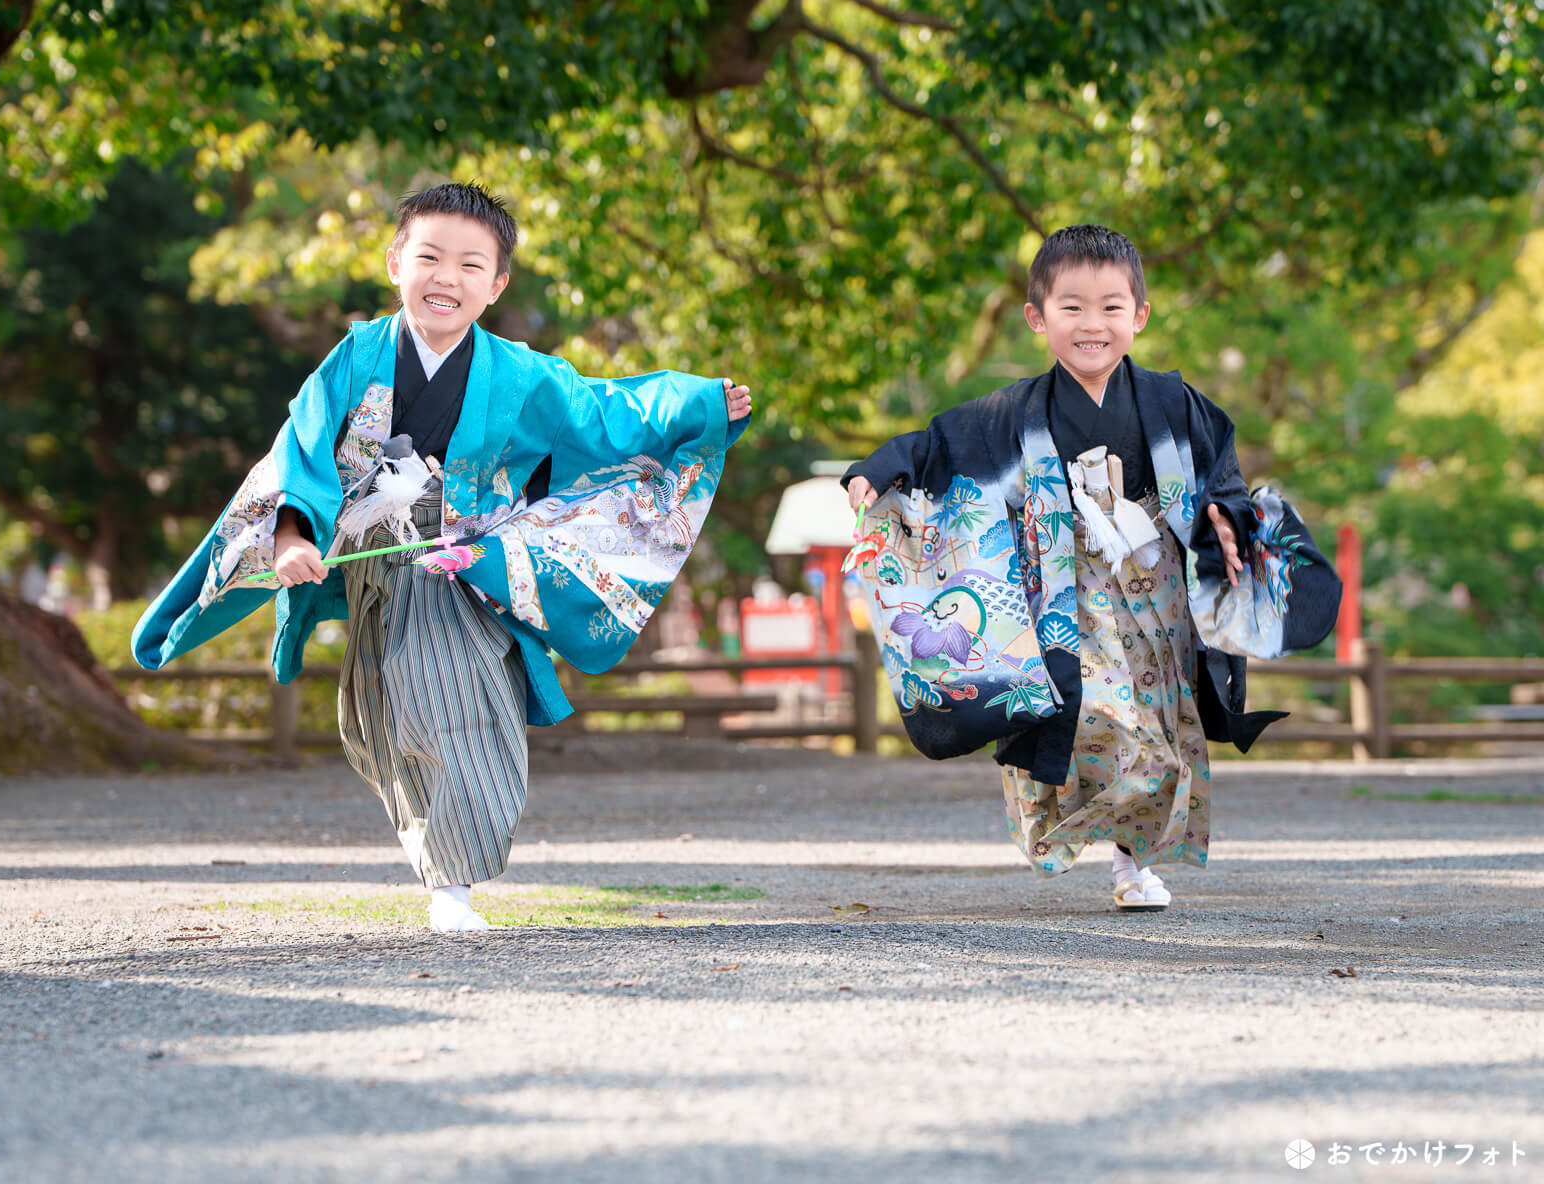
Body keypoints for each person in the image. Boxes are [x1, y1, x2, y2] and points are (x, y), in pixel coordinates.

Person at [134, 182, 751, 932]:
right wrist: (292, 533)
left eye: (469, 264)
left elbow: (602, 414)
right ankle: (440, 869)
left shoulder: (521, 374)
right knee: (380, 719)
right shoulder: (356, 357)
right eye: (429, 257)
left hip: (460, 563)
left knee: (459, 705)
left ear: (495, 286)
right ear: (397, 262)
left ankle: (451, 887)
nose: (445, 277)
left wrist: (696, 404)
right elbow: (302, 449)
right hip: (371, 559)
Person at [845, 224, 1333, 912]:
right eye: (1071, 307)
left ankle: (1134, 863)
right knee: (1092, 715)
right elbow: (932, 447)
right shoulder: (1012, 412)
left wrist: (1226, 517)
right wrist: (872, 473)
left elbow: (1220, 474)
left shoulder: (1174, 402)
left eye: (1111, 306)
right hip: (1064, 588)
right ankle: (1098, 830)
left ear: (1140, 315)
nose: (1092, 324)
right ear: (1037, 317)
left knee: (1157, 725)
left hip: (1158, 586)